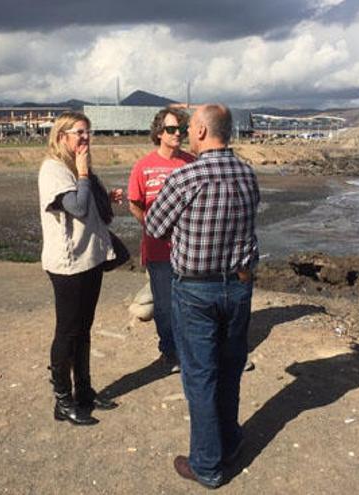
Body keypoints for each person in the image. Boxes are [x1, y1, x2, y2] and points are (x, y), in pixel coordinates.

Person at [146, 104, 260, 488]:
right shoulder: (247, 173)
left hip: (196, 288)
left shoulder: (185, 177)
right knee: (229, 369)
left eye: (190, 127)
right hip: (239, 286)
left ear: (199, 131)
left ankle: (208, 464)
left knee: (200, 376)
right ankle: (228, 443)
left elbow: (155, 225)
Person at [38, 111, 123, 426]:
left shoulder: (76, 166)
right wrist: (84, 174)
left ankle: (84, 391)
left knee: (83, 329)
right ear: (62, 137)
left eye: (88, 133)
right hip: (69, 264)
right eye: (79, 133)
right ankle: (62, 400)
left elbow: (91, 208)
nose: (86, 139)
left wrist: (106, 196)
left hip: (91, 259)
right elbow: (76, 207)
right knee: (67, 332)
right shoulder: (53, 169)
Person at [128, 106, 195, 374]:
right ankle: (169, 351)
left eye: (181, 129)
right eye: (171, 129)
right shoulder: (143, 166)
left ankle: (189, 350)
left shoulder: (191, 162)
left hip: (189, 250)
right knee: (165, 306)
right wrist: (151, 226)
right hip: (158, 251)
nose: (177, 133)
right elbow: (135, 203)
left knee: (190, 303)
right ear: (159, 133)